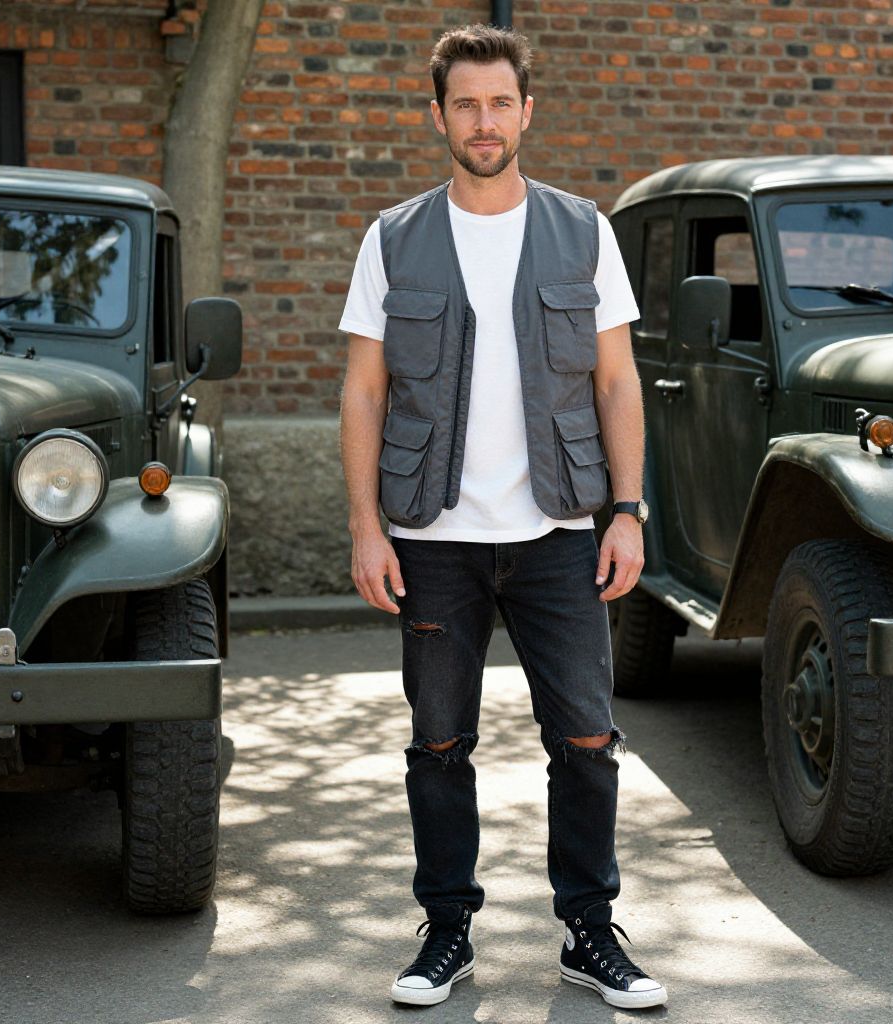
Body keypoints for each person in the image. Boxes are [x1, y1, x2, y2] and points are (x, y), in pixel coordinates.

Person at [338, 23, 667, 1012]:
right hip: (432, 542)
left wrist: (627, 511)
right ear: (438, 116)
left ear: (526, 111)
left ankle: (589, 930)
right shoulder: (393, 237)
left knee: (587, 741)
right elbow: (363, 390)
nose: (483, 122)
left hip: (560, 533)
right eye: (465, 105)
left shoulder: (583, 231)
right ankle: (446, 930)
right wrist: (365, 527)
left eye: (499, 103)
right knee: (439, 743)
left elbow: (616, 380)